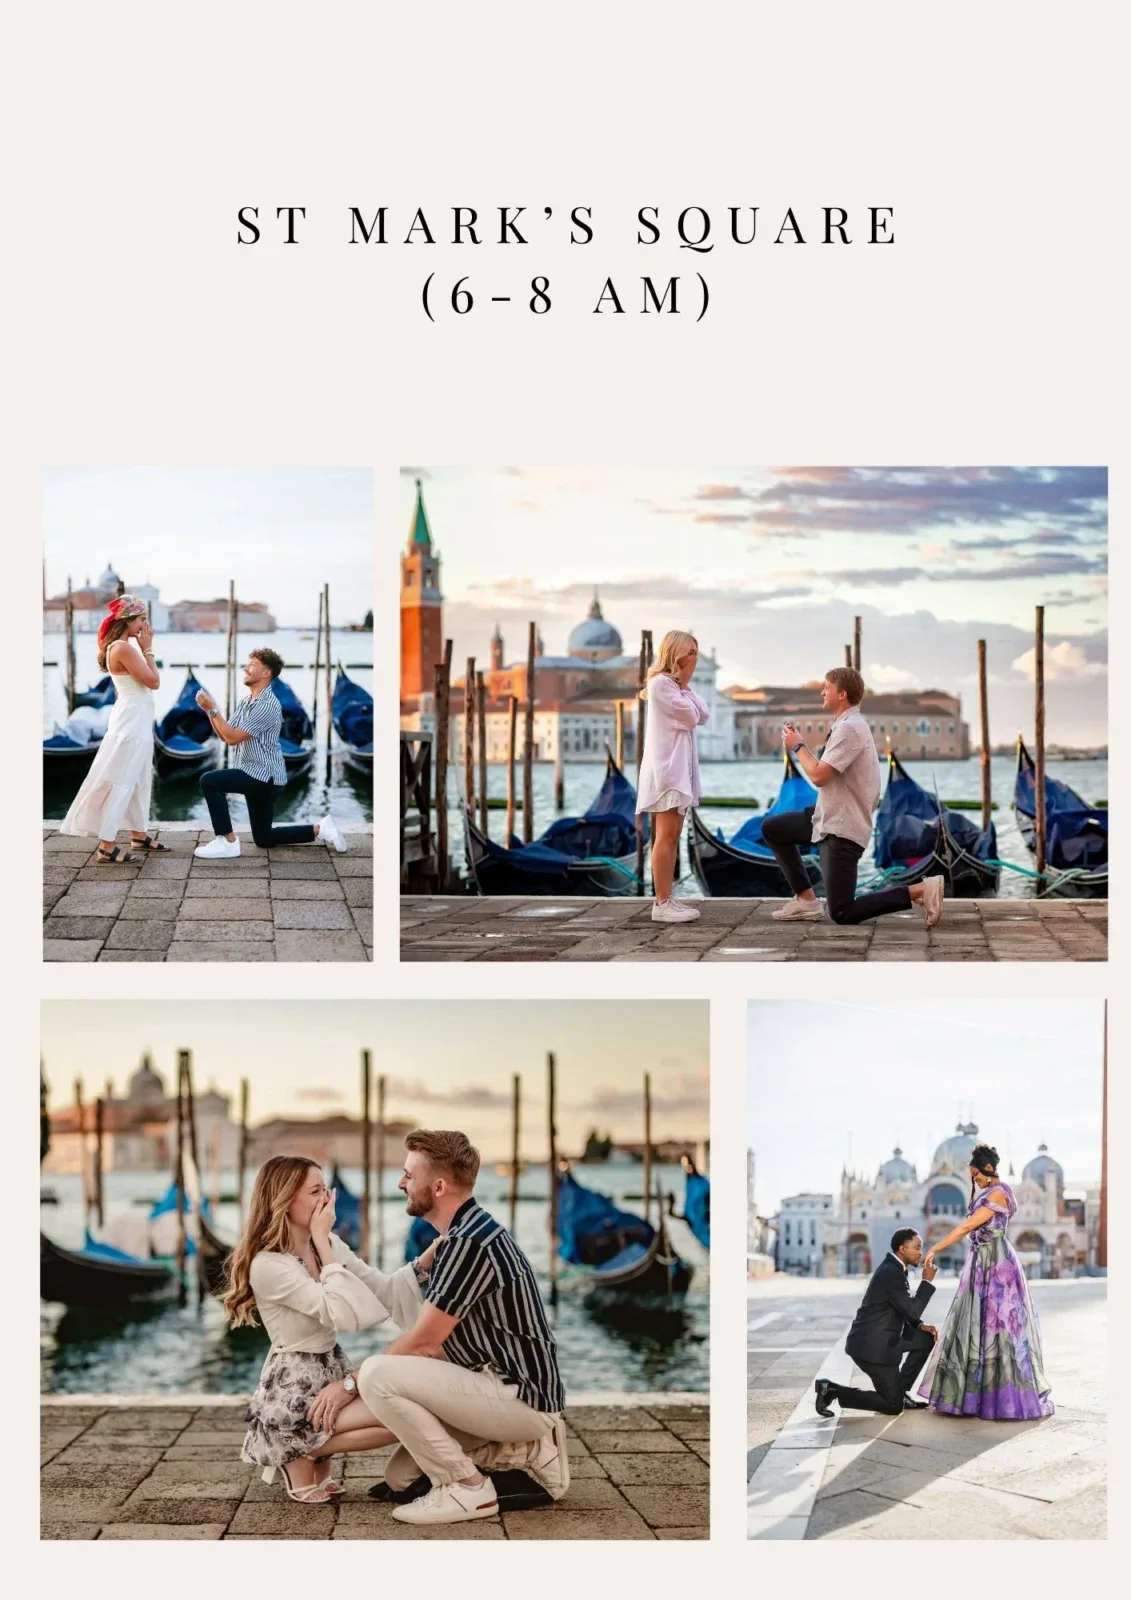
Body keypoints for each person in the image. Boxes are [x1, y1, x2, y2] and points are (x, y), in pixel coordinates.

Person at [356, 1129, 570, 1526]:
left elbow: (423, 1343)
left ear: (438, 1186)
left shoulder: (468, 1242)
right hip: (496, 1385)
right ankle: (529, 1452)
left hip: (521, 1397)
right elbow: (440, 1348)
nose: (401, 1183)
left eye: (408, 1175)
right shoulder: (464, 1234)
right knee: (400, 1479)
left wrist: (352, 1383)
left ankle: (467, 1489)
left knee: (376, 1374)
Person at [224, 1155, 442, 1505]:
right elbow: (338, 1312)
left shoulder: (326, 1247)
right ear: (283, 1199)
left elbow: (381, 1291)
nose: (326, 1200)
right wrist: (325, 1242)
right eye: (314, 1191)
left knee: (406, 1409)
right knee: (399, 1413)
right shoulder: (269, 1266)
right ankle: (296, 1448)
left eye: (325, 1189)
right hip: (294, 1383)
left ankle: (309, 1450)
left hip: (330, 1367)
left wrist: (432, 1254)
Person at [761, 666, 944, 927]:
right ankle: (806, 901)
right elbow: (822, 771)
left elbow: (818, 777)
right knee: (773, 828)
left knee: (842, 912)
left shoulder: (850, 729)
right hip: (825, 816)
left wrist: (798, 746)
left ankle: (920, 891)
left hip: (842, 826)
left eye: (827, 687)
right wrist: (799, 745)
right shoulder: (845, 726)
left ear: (842, 694)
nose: (822, 691)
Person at [917, 1143, 1054, 1420]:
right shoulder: (991, 1191)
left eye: (977, 1175)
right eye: (973, 1177)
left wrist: (936, 1247)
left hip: (996, 1264)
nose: (975, 1181)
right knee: (977, 1324)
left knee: (999, 1325)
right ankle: (975, 1397)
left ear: (988, 1170)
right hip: (982, 1262)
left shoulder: (1000, 1193)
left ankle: (1003, 1398)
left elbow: (968, 1226)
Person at [193, 647, 346, 857]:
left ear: (266, 673)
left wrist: (212, 709)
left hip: (264, 777)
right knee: (264, 838)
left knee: (209, 780)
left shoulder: (267, 705)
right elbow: (225, 736)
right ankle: (320, 829)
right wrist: (208, 710)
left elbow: (232, 737)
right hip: (254, 773)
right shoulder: (246, 702)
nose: (246, 668)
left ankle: (227, 842)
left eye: (252, 665)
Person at [59, 594, 171, 864]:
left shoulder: (121, 647)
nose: (145, 626)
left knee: (140, 776)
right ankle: (107, 845)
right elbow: (154, 682)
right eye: (141, 619)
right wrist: (148, 648)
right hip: (131, 720)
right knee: (122, 775)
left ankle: (139, 834)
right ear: (128, 621)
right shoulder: (123, 648)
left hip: (137, 716)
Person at [814, 1228, 939, 1417]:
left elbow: (902, 1307)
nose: (921, 1252)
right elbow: (912, 1309)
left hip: (885, 1338)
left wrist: (920, 1325)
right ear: (902, 1249)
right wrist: (927, 1282)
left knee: (925, 1338)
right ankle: (831, 1390)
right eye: (917, 1247)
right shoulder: (892, 1273)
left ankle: (901, 1391)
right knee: (892, 1406)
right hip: (873, 1348)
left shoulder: (895, 1268)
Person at [635, 629, 709, 924]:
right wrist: (686, 690)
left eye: (696, 652)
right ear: (675, 653)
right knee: (665, 837)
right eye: (689, 652)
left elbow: (703, 713)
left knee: (673, 835)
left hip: (680, 772)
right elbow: (691, 717)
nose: (694, 659)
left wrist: (687, 687)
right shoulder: (661, 684)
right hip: (667, 771)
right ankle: (661, 903)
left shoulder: (678, 687)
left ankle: (667, 899)